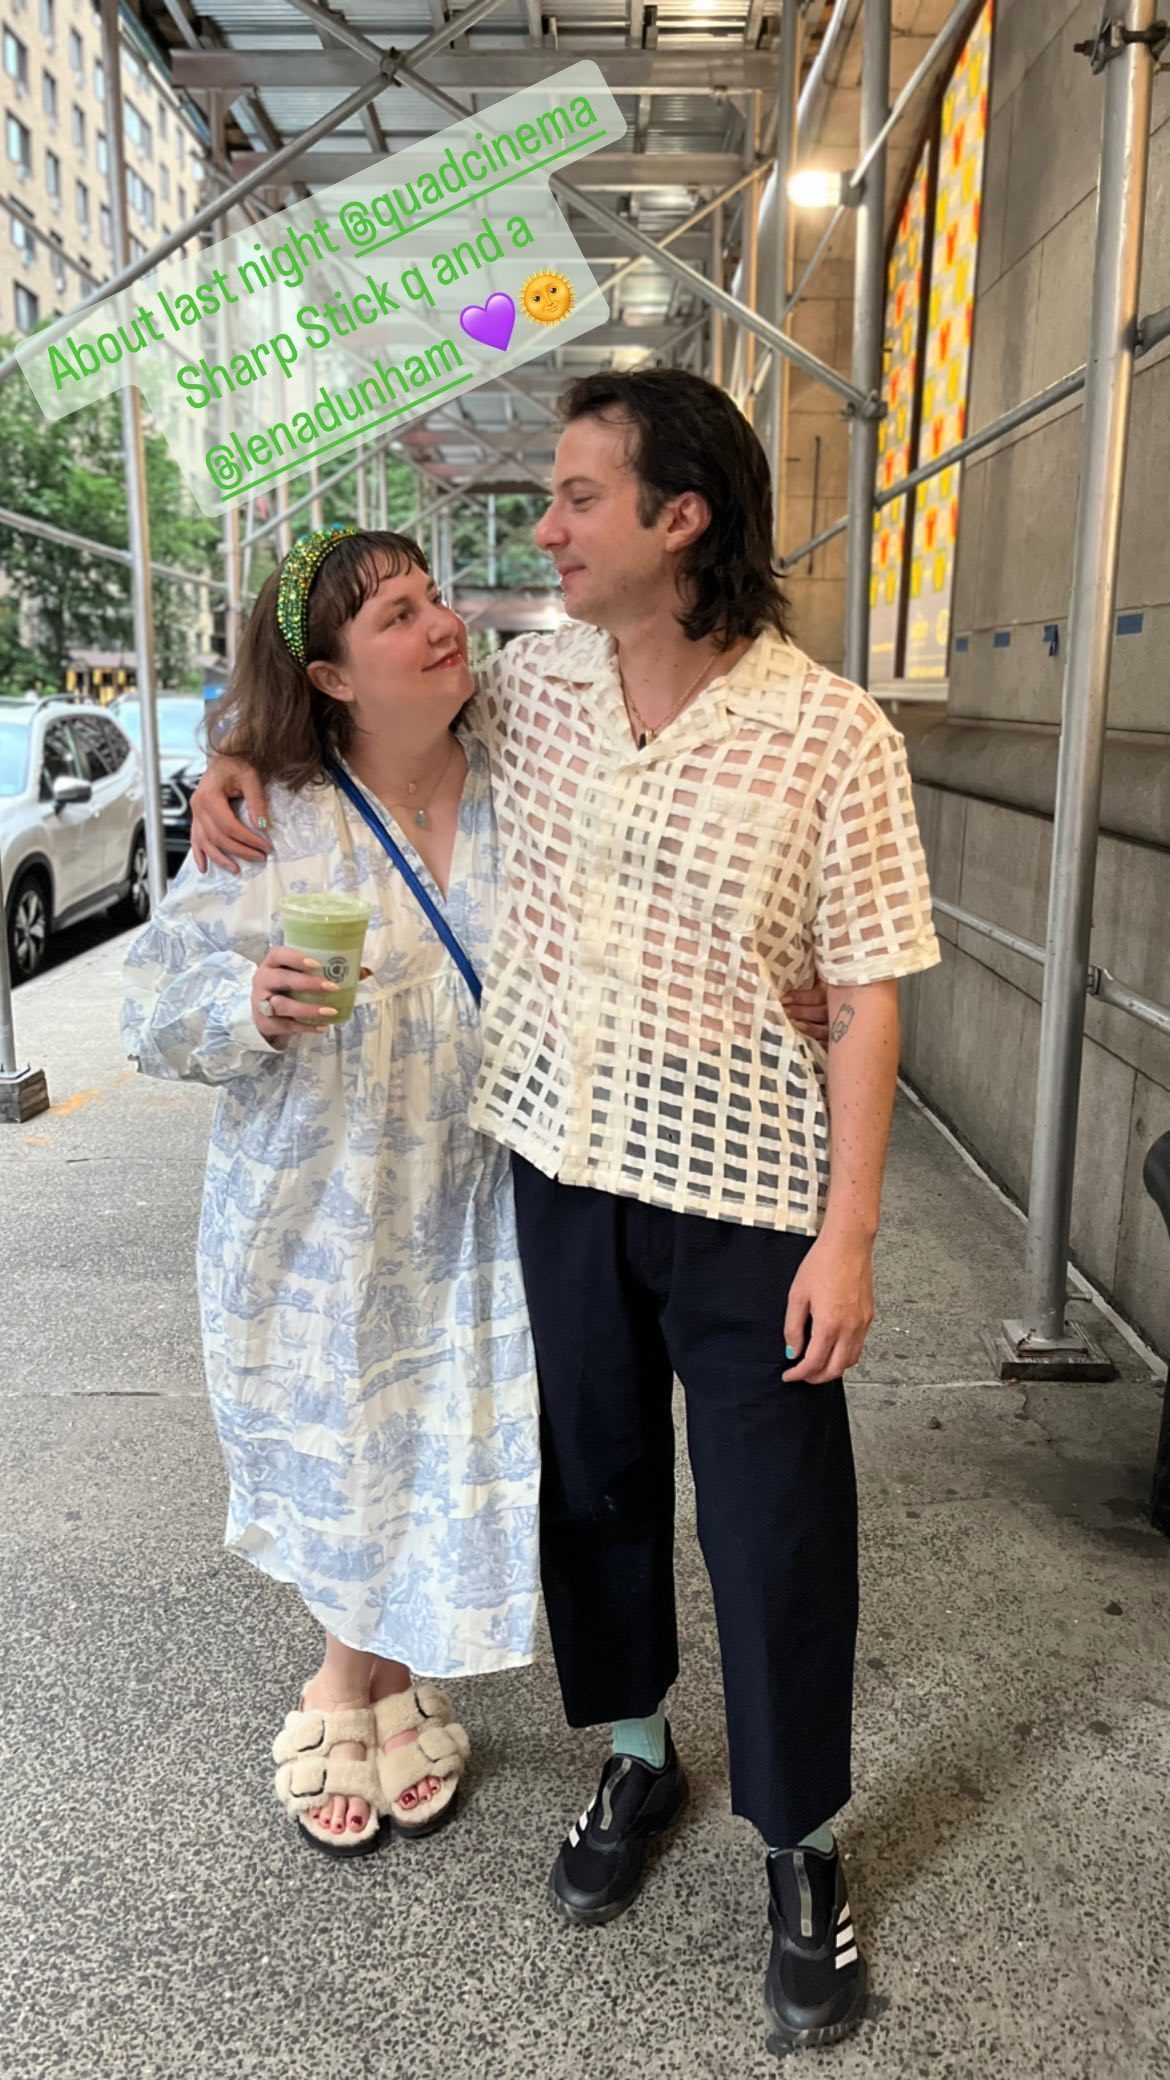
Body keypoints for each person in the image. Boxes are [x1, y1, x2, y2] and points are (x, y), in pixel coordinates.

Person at [191, 370, 940, 2050]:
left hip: (749, 1193)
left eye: (577, 497)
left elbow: (869, 990)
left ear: (680, 520)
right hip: (555, 1165)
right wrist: (233, 749)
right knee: (591, 1486)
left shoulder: (829, 730)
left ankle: (800, 1843)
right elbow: (365, 717)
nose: (541, 530)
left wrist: (849, 1233)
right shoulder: (535, 687)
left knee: (775, 1523)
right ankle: (635, 1753)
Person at [122, 528, 541, 1858]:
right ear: (333, 677)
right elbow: (150, 1012)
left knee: (440, 1438)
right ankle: (364, 1682)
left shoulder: (524, 777)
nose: (440, 622)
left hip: (480, 1203)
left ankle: (352, 1682)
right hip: (315, 1216)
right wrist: (245, 1005)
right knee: (347, 1442)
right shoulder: (273, 820)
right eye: (397, 614)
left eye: (435, 596)